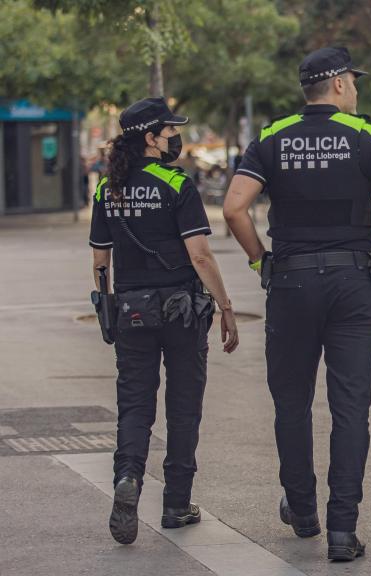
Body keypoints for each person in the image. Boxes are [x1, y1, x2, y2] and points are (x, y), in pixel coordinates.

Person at [222, 46, 371, 562]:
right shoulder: (369, 137)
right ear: (336, 85)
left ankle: (303, 511)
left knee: (291, 402)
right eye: (353, 81)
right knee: (351, 407)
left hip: (290, 283)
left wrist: (260, 259)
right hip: (355, 286)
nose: (356, 89)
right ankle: (343, 532)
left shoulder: (269, 138)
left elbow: (234, 208)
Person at [88, 97, 239, 545]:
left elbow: (100, 260)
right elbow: (200, 254)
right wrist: (225, 304)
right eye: (170, 131)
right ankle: (176, 503)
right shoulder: (176, 183)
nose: (177, 137)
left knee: (135, 403)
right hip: (182, 310)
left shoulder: (105, 189)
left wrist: (106, 305)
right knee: (183, 405)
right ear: (151, 138)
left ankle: (129, 475)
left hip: (131, 308)